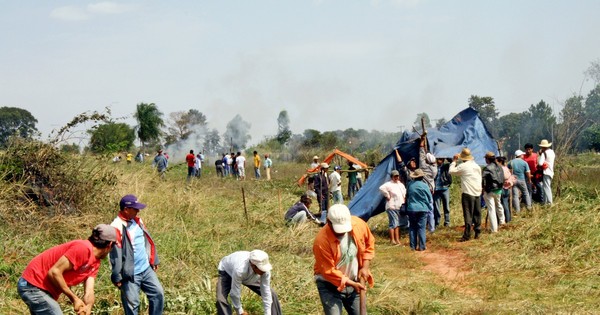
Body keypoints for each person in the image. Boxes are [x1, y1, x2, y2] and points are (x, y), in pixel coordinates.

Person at [18, 224, 117, 315]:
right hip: (33, 286)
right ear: (110, 244)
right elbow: (54, 272)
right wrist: (74, 299)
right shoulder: (83, 248)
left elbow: (89, 290)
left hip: (43, 291)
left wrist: (88, 307)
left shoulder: (95, 262)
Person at [313, 204, 375, 315]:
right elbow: (328, 271)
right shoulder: (321, 242)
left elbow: (369, 244)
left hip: (355, 282)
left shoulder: (359, 225)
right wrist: (350, 283)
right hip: (329, 285)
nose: (342, 232)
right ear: (328, 221)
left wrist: (365, 267)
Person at [110, 195, 164, 315]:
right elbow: (115, 255)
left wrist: (153, 259)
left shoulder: (137, 221)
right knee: (132, 305)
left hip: (146, 269)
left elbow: (147, 240)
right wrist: (117, 275)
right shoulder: (116, 227)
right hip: (130, 274)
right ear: (126, 209)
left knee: (158, 294)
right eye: (135, 209)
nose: (138, 211)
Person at [216, 250, 282, 315]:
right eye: (261, 269)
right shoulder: (240, 269)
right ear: (253, 265)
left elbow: (266, 292)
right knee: (220, 300)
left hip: (248, 275)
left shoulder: (265, 271)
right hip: (227, 272)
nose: (263, 272)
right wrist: (240, 312)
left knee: (272, 294)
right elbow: (235, 293)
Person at [449, 148, 482, 242]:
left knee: (468, 214)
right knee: (477, 213)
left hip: (468, 192)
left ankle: (467, 235)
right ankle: (477, 232)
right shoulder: (477, 166)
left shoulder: (463, 166)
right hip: (477, 192)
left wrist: (454, 161)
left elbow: (451, 171)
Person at [406, 169, 433, 251]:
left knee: (412, 227)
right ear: (422, 177)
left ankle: (412, 247)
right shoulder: (425, 185)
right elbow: (429, 198)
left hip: (412, 208)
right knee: (421, 228)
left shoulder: (410, 184)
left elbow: (407, 195)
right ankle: (422, 246)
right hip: (423, 208)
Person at [379, 170, 407, 245]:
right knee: (393, 223)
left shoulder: (400, 184)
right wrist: (387, 195)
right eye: (395, 176)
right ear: (392, 177)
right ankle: (392, 240)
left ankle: (397, 239)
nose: (396, 177)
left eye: (397, 176)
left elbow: (404, 192)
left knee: (397, 224)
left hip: (399, 206)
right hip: (392, 206)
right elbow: (381, 188)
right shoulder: (389, 184)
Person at [482, 152, 505, 233]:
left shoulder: (487, 168)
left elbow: (483, 179)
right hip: (499, 190)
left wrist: (483, 189)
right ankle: (502, 222)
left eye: (485, 158)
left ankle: (494, 229)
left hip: (490, 190)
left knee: (491, 209)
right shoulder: (500, 166)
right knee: (499, 205)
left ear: (488, 159)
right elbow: (503, 178)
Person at [433, 157, 452, 227]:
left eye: (440, 159)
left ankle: (447, 222)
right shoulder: (434, 167)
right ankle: (437, 223)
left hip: (445, 188)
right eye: (438, 159)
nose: (439, 161)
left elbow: (452, 163)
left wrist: (447, 155)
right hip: (436, 190)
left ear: (443, 160)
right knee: (437, 208)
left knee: (446, 207)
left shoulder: (446, 166)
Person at [538, 139, 555, 205]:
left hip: (546, 172)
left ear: (543, 147)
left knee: (547, 187)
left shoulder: (544, 153)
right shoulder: (552, 152)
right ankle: (545, 202)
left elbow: (540, 163)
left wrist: (540, 155)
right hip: (551, 171)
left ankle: (550, 202)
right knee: (546, 187)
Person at [497, 156, 514, 223]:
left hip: (502, 188)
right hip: (507, 188)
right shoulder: (506, 168)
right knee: (505, 204)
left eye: (497, 161)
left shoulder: (500, 169)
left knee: (501, 205)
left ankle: (502, 220)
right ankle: (508, 219)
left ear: (500, 161)